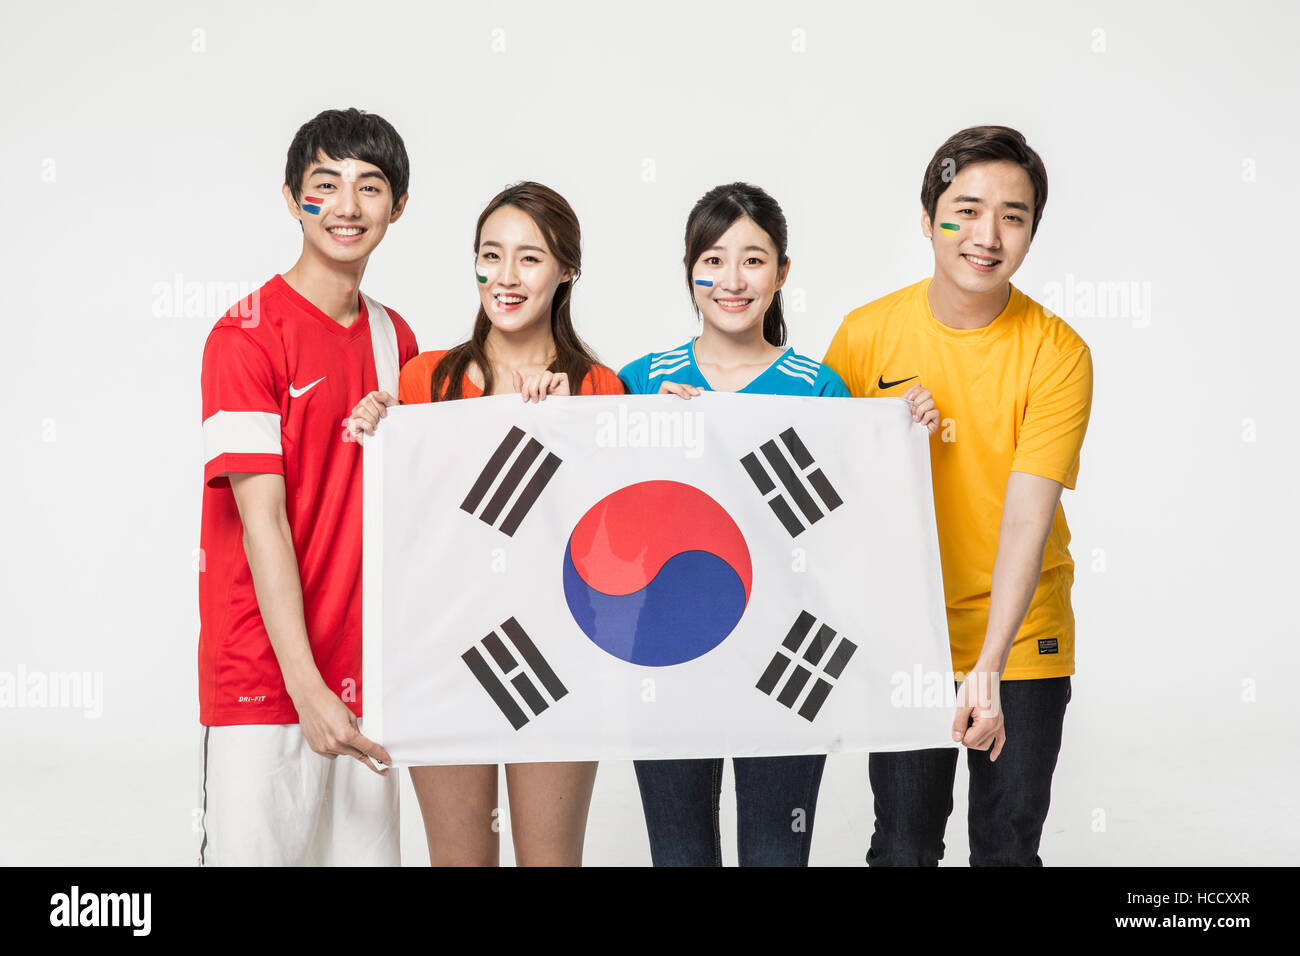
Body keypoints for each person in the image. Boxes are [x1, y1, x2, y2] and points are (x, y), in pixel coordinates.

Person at [619, 182, 939, 866]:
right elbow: (600, 527)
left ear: (782, 273)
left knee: (775, 855)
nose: (731, 280)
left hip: (790, 656)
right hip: (670, 653)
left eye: (754, 260)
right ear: (688, 271)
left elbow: (853, 526)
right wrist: (646, 436)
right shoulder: (639, 383)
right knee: (679, 856)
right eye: (712, 259)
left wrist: (901, 435)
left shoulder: (818, 388)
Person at [822, 125, 1093, 866]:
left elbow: (1026, 521)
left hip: (1022, 636)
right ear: (927, 218)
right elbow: (822, 490)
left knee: (1006, 848)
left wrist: (989, 666)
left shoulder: (1057, 352)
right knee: (903, 846)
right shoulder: (866, 334)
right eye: (965, 209)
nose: (987, 234)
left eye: (1014, 215)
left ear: (1034, 231)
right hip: (908, 633)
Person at [347, 181, 624, 866]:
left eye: (529, 258)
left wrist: (573, 431)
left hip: (557, 659)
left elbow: (616, 555)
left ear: (567, 270)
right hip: (444, 653)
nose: (505, 277)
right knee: (460, 861)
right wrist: (376, 434)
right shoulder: (423, 380)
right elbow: (403, 533)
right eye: (490, 255)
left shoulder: (598, 389)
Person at [197, 108, 419, 865]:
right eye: (326, 186)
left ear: (399, 206)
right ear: (293, 199)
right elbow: (264, 525)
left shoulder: (397, 340)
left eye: (371, 187)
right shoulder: (246, 335)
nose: (348, 207)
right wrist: (307, 688)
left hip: (370, 679)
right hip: (266, 678)